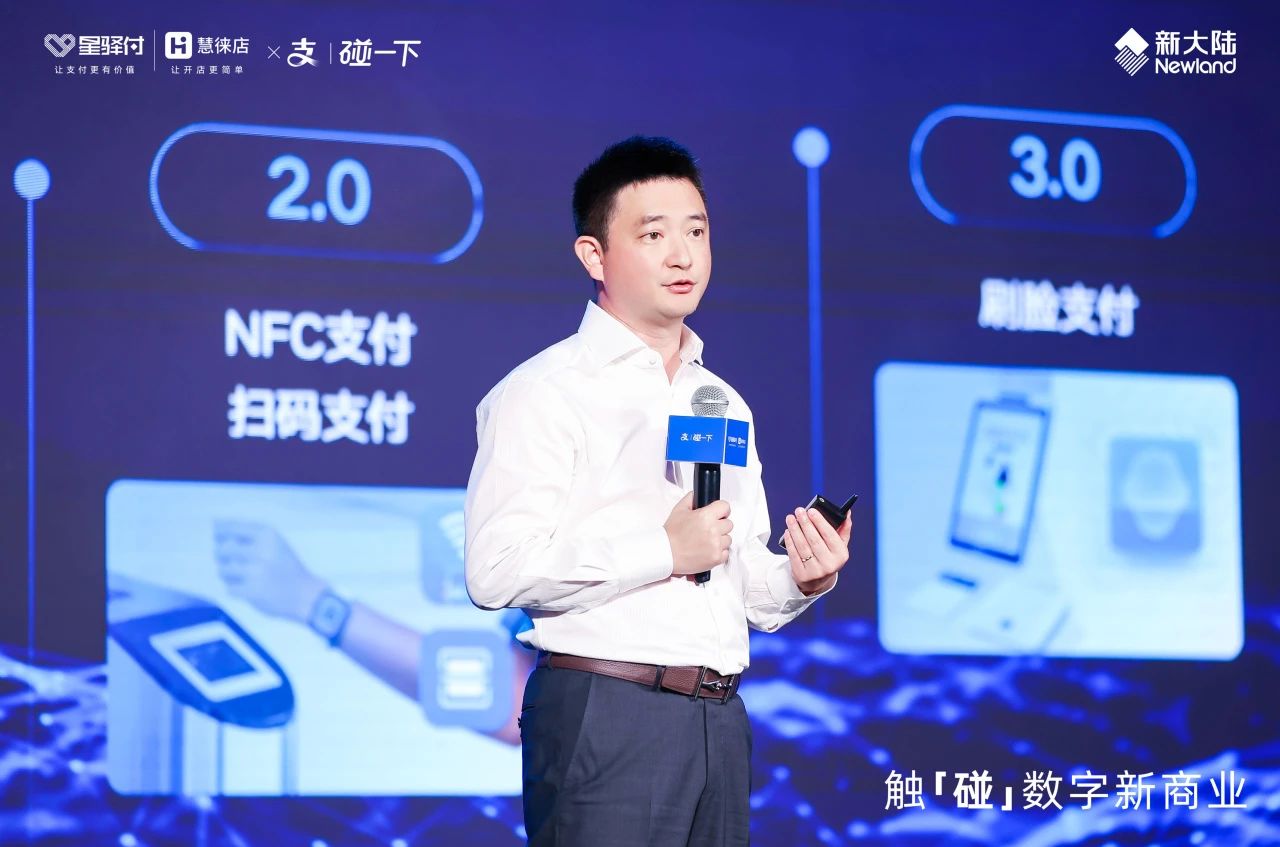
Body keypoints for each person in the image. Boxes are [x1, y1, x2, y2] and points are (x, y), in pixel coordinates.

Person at [463, 136, 852, 846]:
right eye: (653, 235)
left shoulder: (721, 401)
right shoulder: (544, 392)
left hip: (718, 720)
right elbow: (495, 570)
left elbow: (740, 583)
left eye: (696, 232)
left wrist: (802, 578)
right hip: (605, 710)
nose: (683, 256)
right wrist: (662, 549)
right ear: (594, 255)